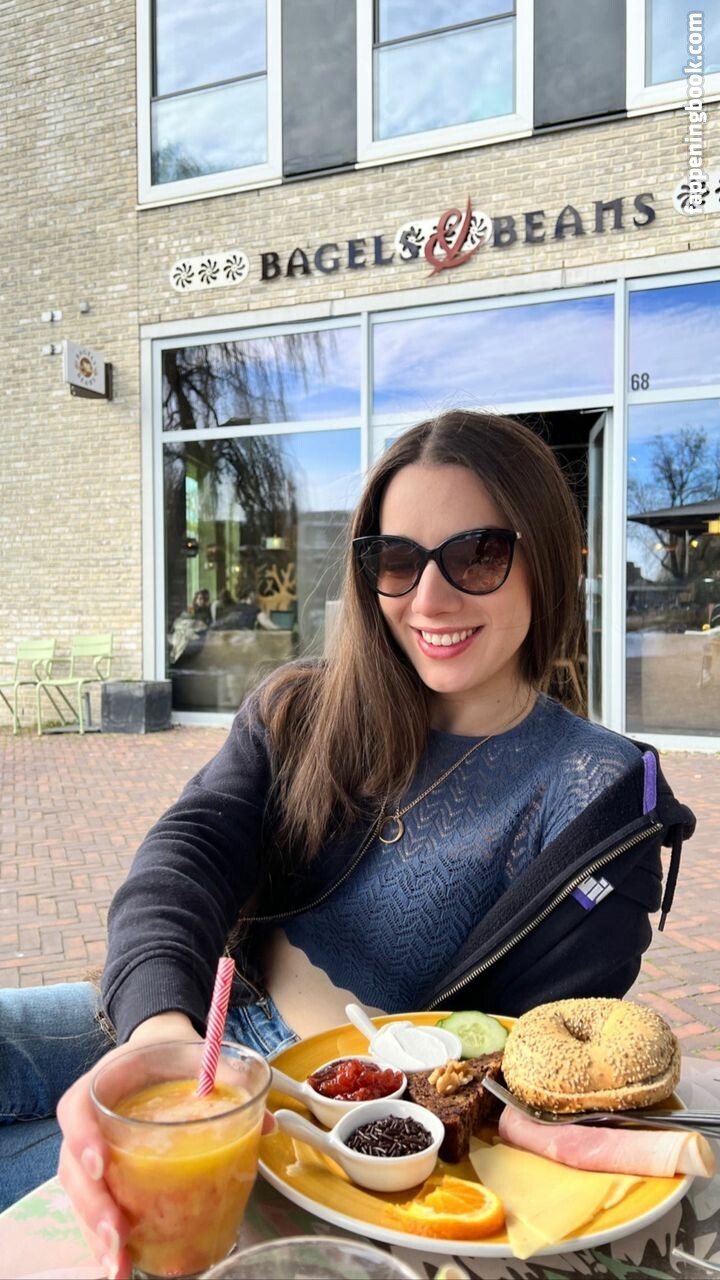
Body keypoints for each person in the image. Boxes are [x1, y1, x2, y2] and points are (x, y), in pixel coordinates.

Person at [0, 411, 695, 1275]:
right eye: (397, 560)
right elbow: (187, 854)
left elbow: (534, 1067)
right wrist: (158, 1037)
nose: (428, 599)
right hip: (191, 1023)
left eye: (478, 554)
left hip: (317, 1128)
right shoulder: (305, 706)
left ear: (546, 558)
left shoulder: (598, 799)